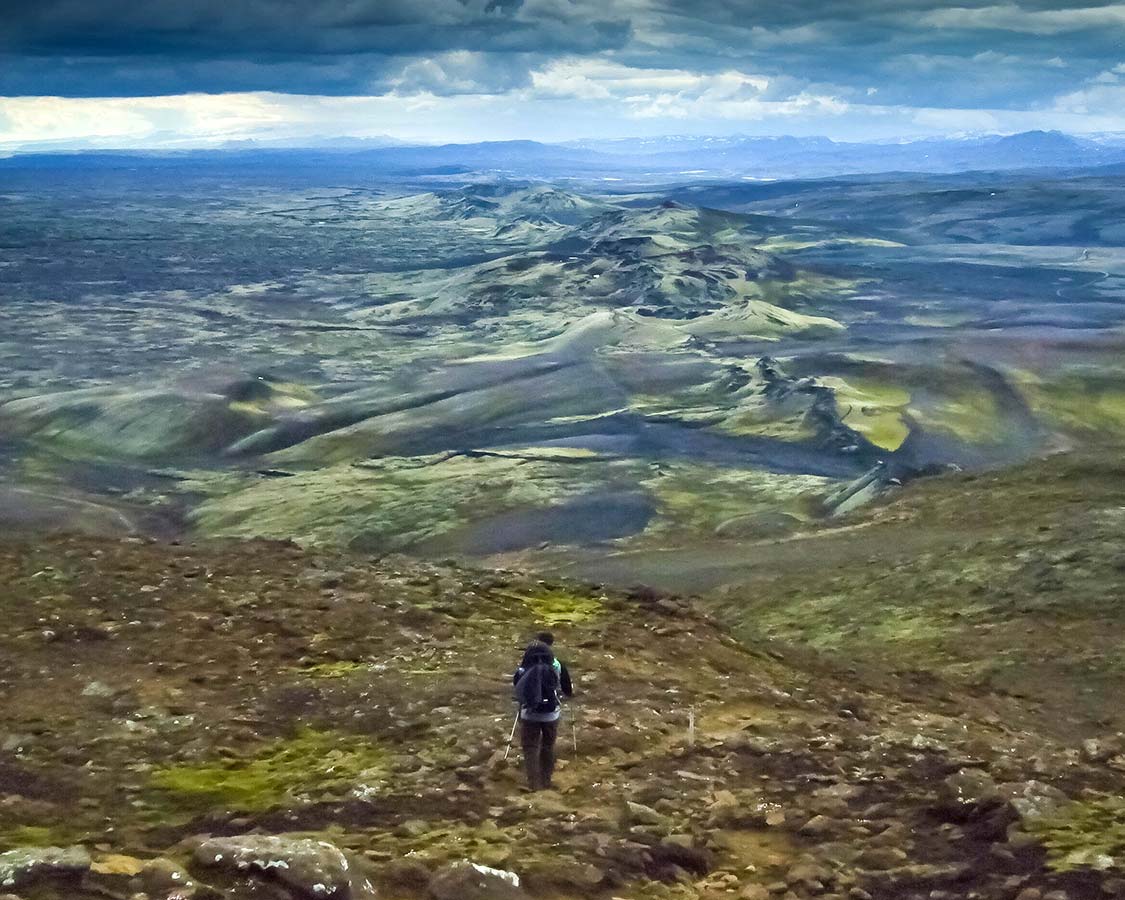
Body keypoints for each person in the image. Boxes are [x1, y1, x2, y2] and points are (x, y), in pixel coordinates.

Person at [512, 635, 574, 791]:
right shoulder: (558, 665)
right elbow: (567, 690)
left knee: (530, 747)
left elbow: (517, 687)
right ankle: (546, 781)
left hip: (529, 714)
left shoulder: (523, 667)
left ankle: (534, 784)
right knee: (548, 746)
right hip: (552, 714)